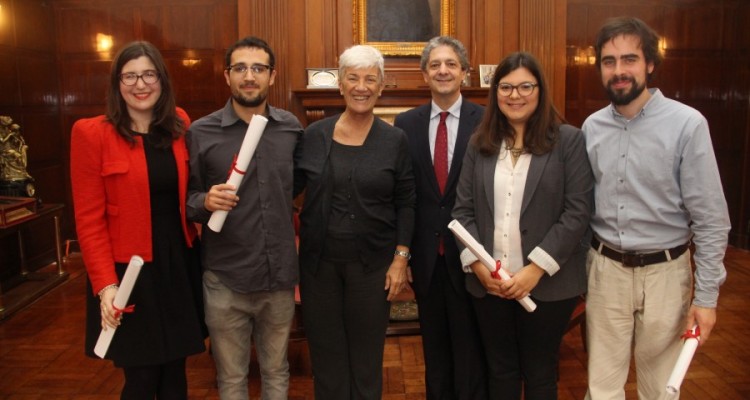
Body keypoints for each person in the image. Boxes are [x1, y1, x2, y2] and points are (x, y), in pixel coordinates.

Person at [583, 17, 731, 400]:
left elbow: (712, 221)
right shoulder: (591, 128)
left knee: (661, 391)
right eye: (609, 61)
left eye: (629, 59)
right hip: (605, 274)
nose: (619, 71)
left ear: (649, 63)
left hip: (667, 276)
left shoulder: (687, 125)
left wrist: (706, 298)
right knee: (601, 389)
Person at [452, 52, 594, 399]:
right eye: (506, 87)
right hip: (490, 284)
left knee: (540, 372)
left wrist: (535, 270)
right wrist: (478, 267)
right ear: (495, 92)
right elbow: (463, 210)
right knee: (500, 370)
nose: (515, 96)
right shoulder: (479, 143)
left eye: (525, 86)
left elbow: (578, 211)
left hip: (548, 284)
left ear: (539, 90)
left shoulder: (568, 141)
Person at [70, 41, 206, 399]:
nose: (140, 84)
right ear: (117, 83)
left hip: (177, 262)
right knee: (142, 378)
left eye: (148, 74)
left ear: (161, 79)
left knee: (176, 372)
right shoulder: (91, 133)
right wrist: (105, 286)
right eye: (129, 76)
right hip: (128, 272)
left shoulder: (179, 123)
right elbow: (88, 220)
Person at [294, 44, 416, 400]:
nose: (361, 86)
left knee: (365, 360)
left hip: (372, 267)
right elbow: (288, 186)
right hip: (318, 267)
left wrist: (400, 258)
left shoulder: (395, 140)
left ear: (380, 87)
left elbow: (407, 202)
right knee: (327, 359)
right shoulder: (314, 136)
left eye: (370, 79)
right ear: (341, 85)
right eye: (353, 78)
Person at [186, 36, 303, 399]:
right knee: (232, 379)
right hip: (226, 279)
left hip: (278, 277)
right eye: (240, 68)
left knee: (276, 372)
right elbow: (186, 202)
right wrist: (206, 201)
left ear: (272, 75)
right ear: (227, 76)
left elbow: (297, 189)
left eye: (258, 68)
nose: (249, 76)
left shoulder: (291, 129)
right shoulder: (201, 133)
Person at [393, 36, 488, 400]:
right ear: (424, 74)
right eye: (435, 65)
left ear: (464, 72)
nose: (443, 70)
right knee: (434, 352)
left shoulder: (487, 119)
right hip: (428, 258)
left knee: (471, 350)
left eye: (451, 64)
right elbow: (406, 192)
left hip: (472, 255)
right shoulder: (406, 123)